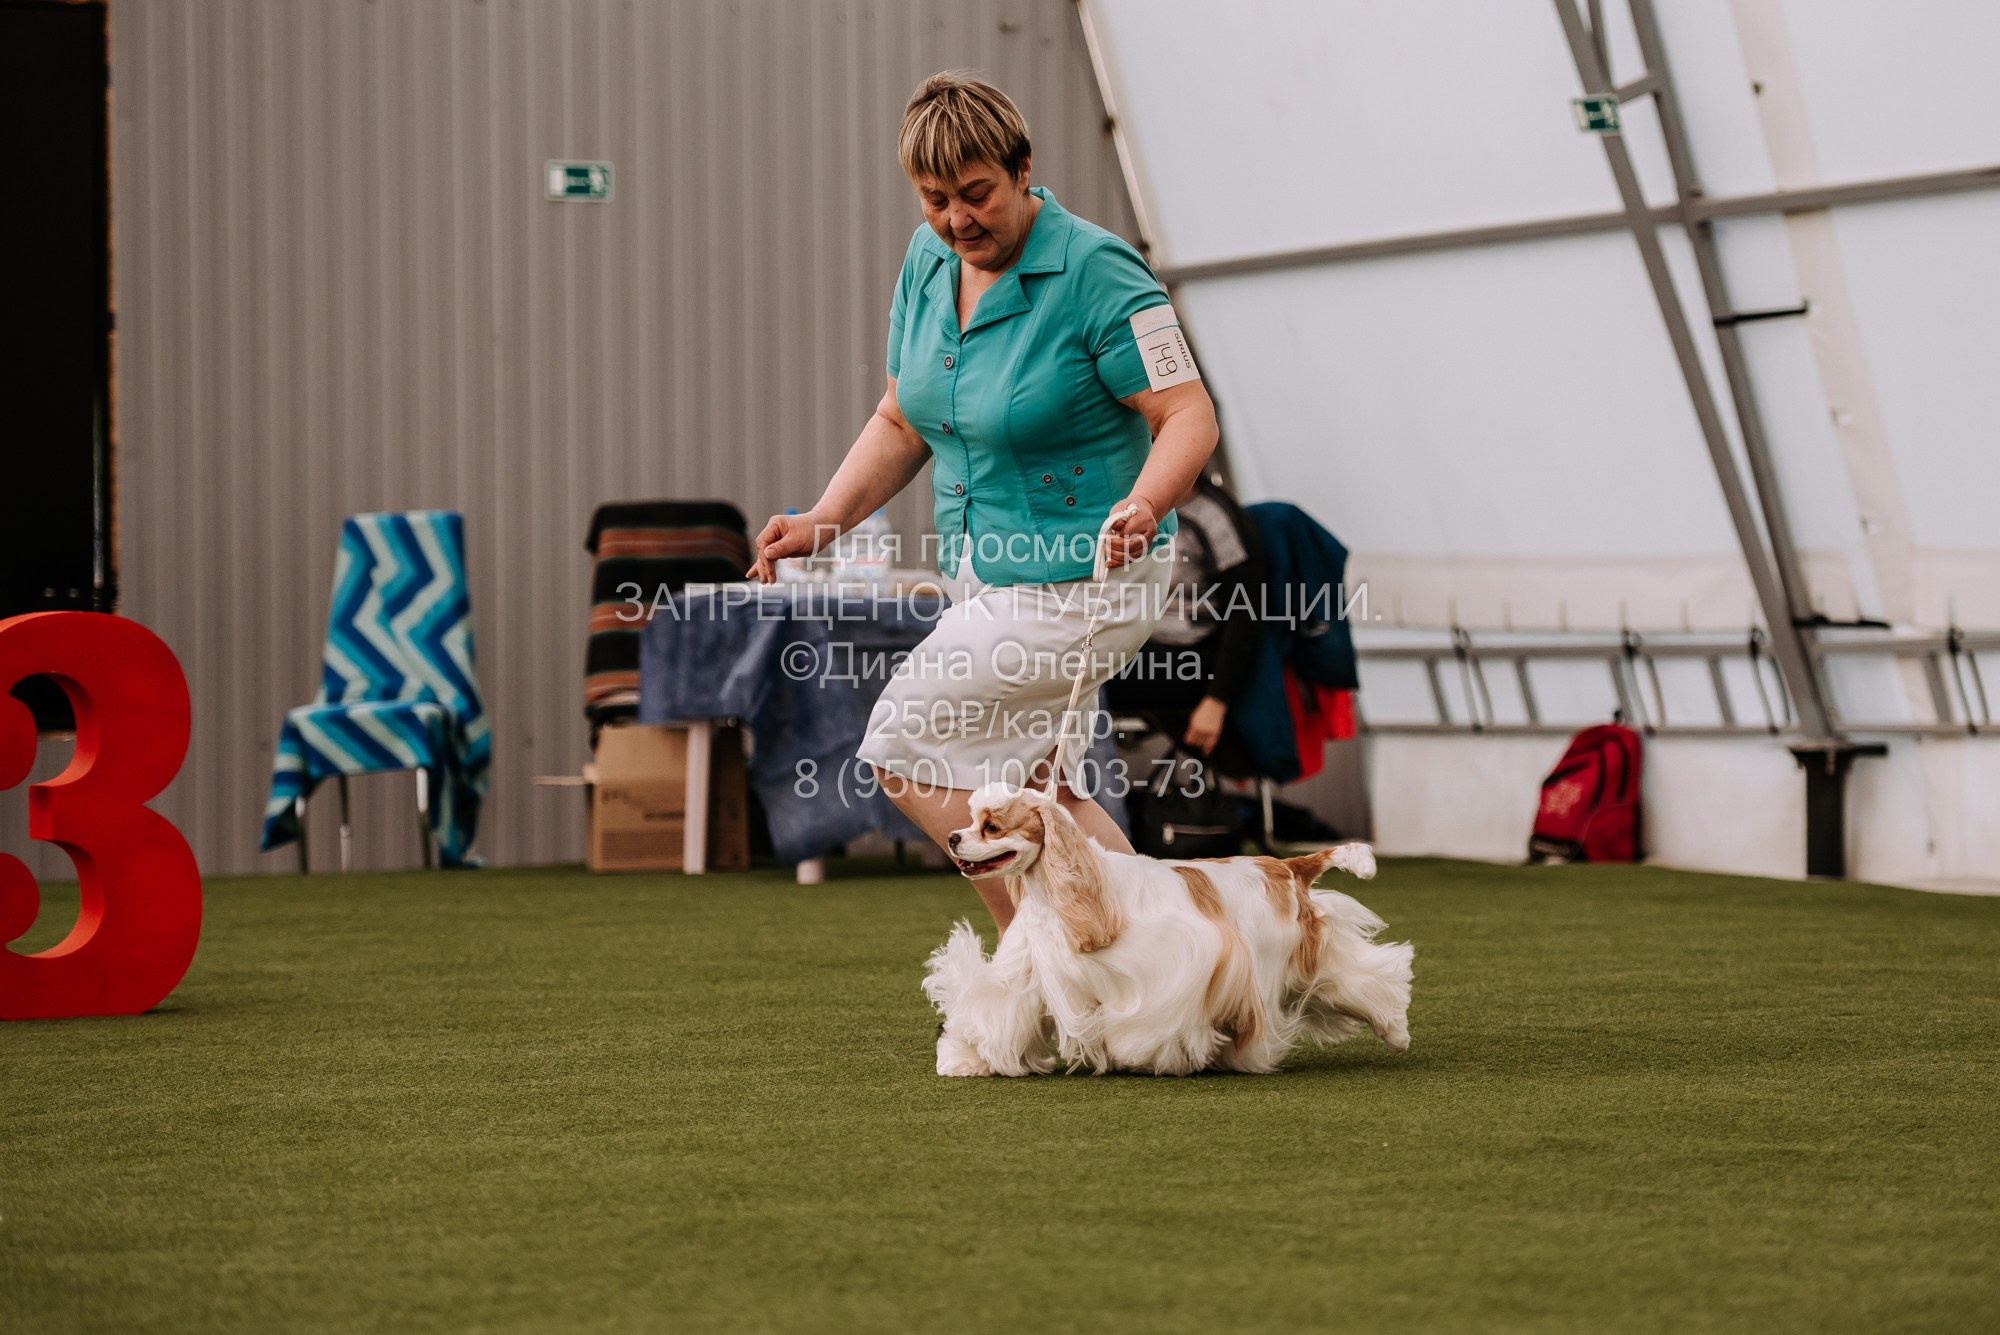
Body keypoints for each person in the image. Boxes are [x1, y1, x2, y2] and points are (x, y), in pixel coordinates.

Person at [748, 72, 1218, 933]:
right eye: (935, 200)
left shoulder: (1100, 270)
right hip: (985, 569)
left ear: (1024, 170)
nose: (958, 220)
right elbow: (902, 417)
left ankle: (1041, 956)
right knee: (1038, 788)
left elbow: (1187, 412)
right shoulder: (929, 263)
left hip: (1088, 572)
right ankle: (1170, 959)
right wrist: (822, 519)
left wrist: (1146, 502)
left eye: (976, 194)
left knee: (903, 744)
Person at [1103, 468, 1266, 765]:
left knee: (1083, 679)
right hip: (1133, 638)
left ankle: (1086, 799)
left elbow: (1247, 616)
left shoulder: (1211, 517)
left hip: (1185, 655)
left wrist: (1216, 702)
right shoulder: (1124, 504)